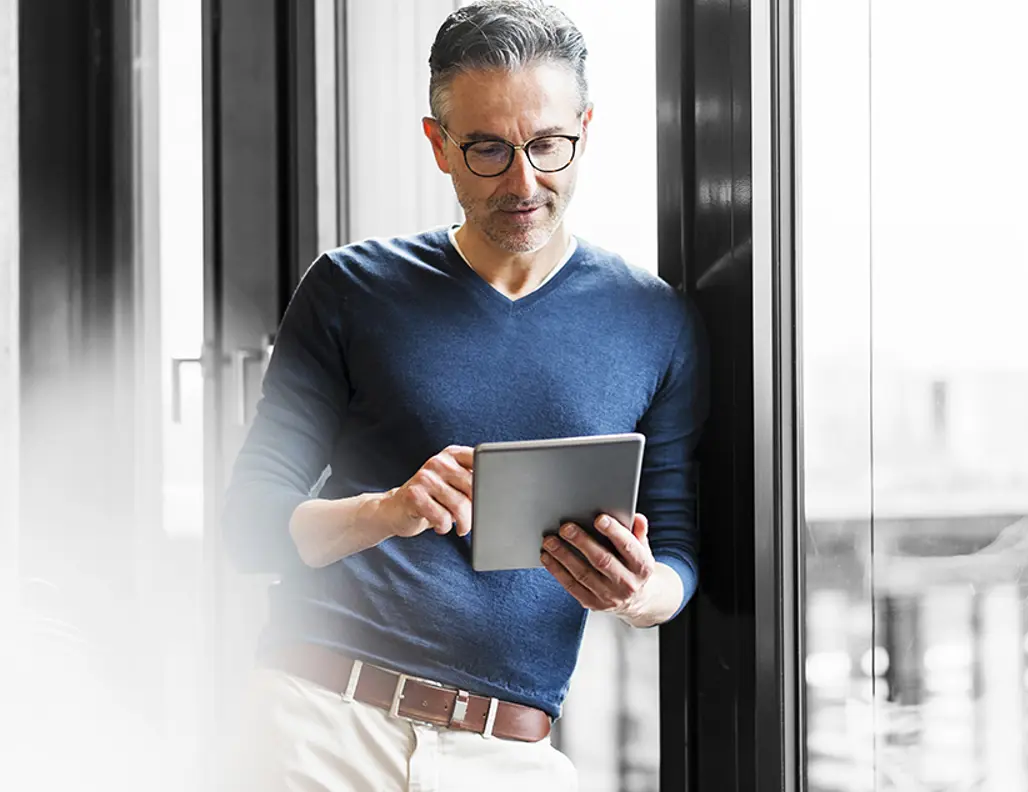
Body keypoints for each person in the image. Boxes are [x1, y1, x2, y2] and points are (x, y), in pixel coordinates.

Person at [220, 2, 707, 788]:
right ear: (438, 145)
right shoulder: (351, 288)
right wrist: (394, 508)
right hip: (315, 724)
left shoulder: (655, 321)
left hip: (511, 752)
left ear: (585, 127)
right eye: (487, 149)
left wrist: (637, 589)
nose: (524, 182)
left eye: (549, 145)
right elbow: (248, 529)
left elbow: (676, 557)